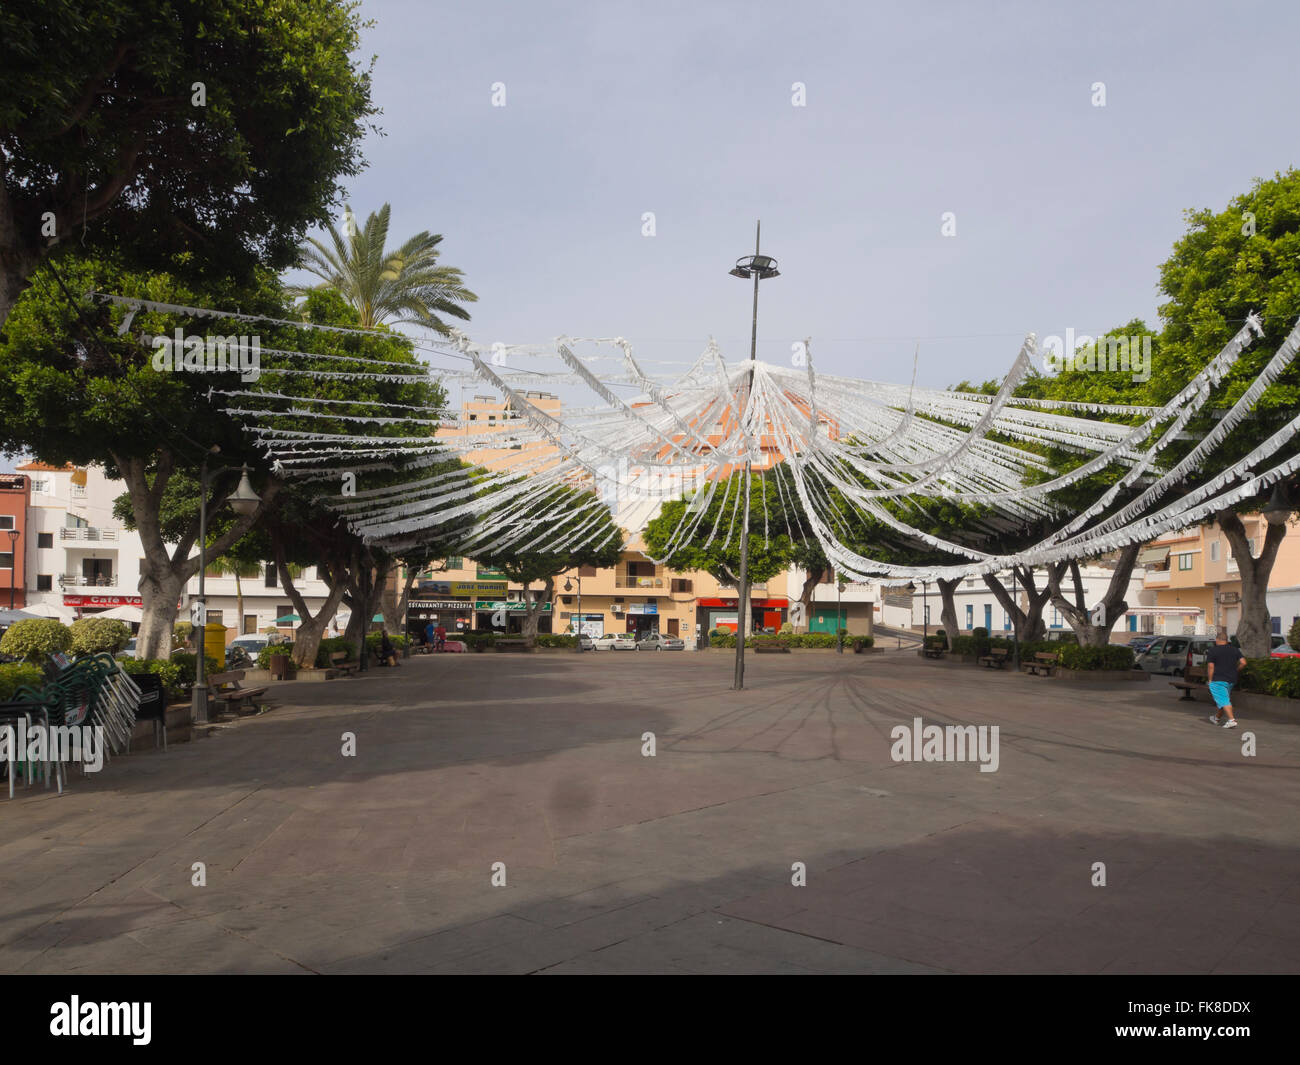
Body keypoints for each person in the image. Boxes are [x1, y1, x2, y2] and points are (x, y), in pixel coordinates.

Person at [1206, 628, 1246, 729]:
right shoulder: (1234, 649)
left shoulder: (1213, 650)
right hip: (1231, 680)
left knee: (1224, 700)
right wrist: (1236, 670)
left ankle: (1231, 720)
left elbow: (1211, 667)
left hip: (1217, 679)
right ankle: (1216, 718)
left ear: (1217, 640)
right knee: (1224, 699)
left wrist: (1210, 680)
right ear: (1227, 640)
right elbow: (1243, 663)